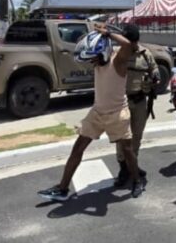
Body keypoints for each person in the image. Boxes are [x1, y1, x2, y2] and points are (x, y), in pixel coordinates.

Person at [37, 23, 144, 202]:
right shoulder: (99, 60)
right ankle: (62, 188)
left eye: (94, 58)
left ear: (103, 52)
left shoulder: (119, 60)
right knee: (78, 148)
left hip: (117, 113)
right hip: (97, 112)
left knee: (127, 150)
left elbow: (126, 44)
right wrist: (92, 34)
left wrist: (108, 33)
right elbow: (81, 44)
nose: (92, 62)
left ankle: (137, 181)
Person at [114, 27, 160, 187]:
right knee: (121, 138)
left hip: (140, 101)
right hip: (122, 103)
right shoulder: (118, 55)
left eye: (131, 42)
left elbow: (154, 68)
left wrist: (155, 76)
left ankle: (133, 165)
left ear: (135, 41)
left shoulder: (145, 54)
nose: (129, 45)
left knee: (136, 136)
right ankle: (123, 169)